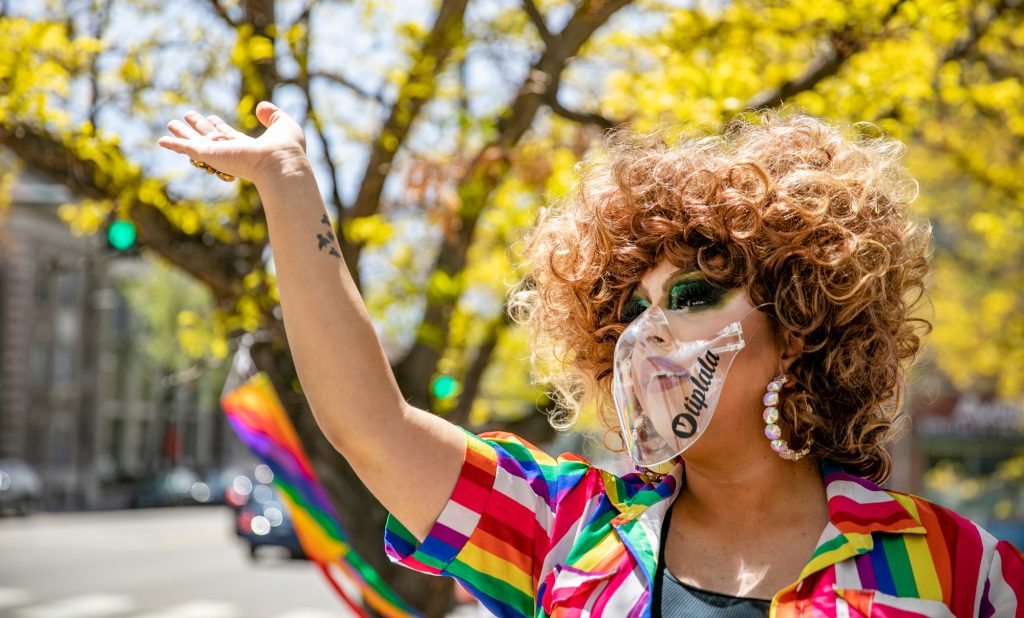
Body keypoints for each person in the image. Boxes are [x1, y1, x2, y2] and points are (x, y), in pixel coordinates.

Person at [158, 105, 1024, 617]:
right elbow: (370, 428)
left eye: (688, 300)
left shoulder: (956, 564)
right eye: (631, 310)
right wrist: (287, 183)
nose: (648, 335)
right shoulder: (563, 525)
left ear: (797, 329)